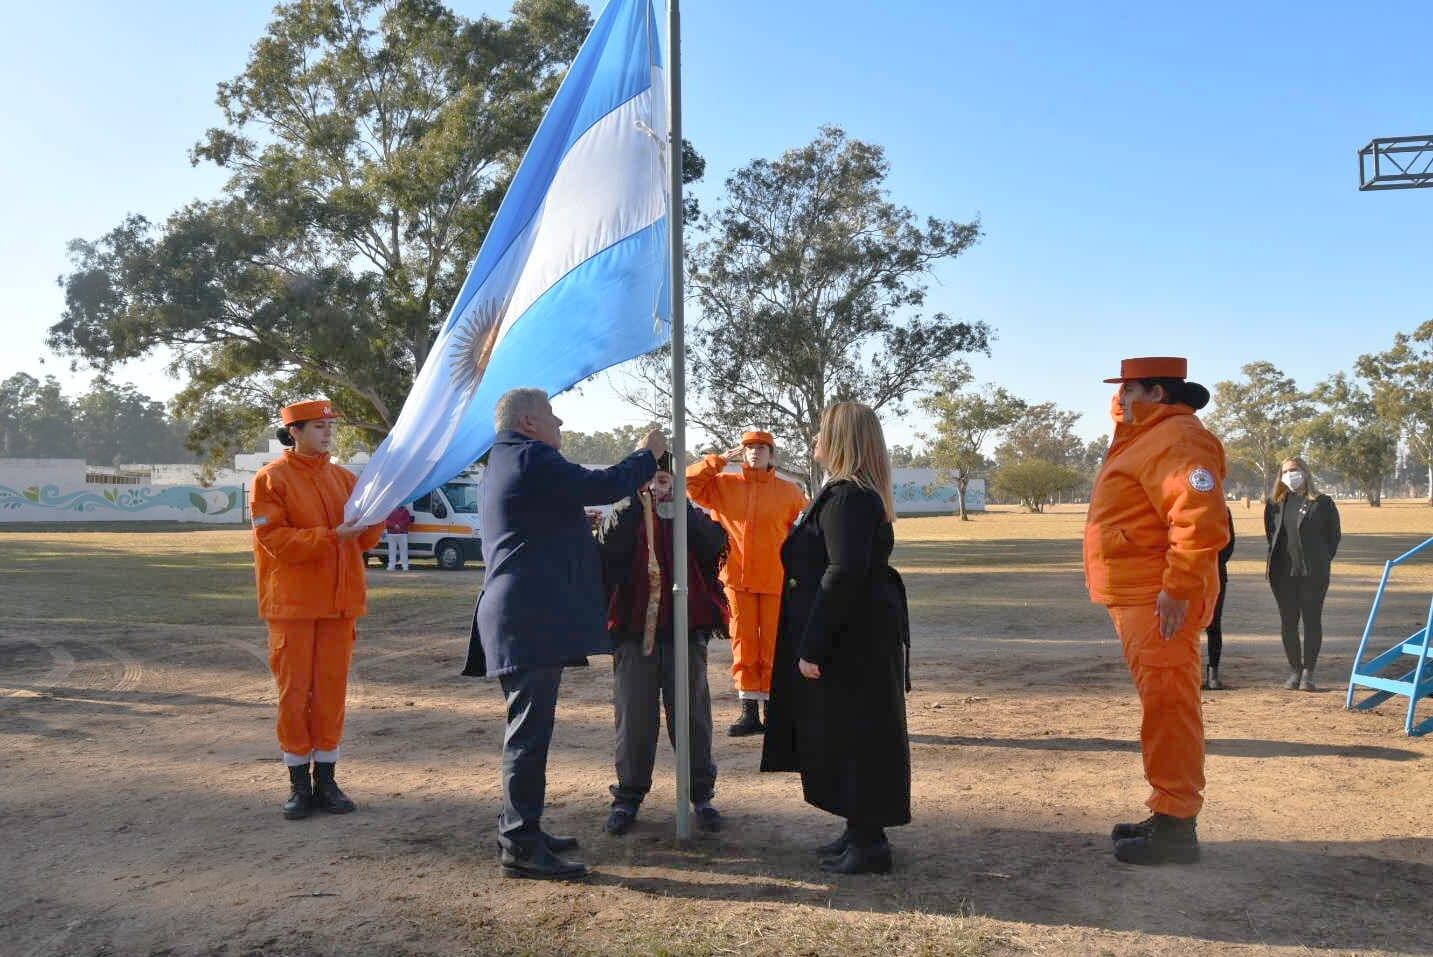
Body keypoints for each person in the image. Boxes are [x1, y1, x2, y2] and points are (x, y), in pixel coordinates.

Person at [461, 388, 666, 880]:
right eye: (553, 416)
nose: (561, 424)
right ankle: (520, 844)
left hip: (522, 615)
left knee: (529, 731)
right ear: (530, 422)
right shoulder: (532, 456)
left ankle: (522, 827)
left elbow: (538, 520)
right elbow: (604, 483)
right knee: (528, 736)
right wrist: (648, 453)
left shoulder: (509, 459)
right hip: (527, 617)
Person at [1085, 357, 1229, 866]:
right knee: (1161, 706)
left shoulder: (1178, 439)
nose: (1120, 398)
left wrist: (1178, 587)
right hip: (1138, 595)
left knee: (1170, 709)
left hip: (1157, 599)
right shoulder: (1145, 435)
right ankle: (1166, 810)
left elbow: (1200, 519)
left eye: (1129, 389)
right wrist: (1124, 416)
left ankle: (1175, 826)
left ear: (1159, 394)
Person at [761, 402, 911, 875]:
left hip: (851, 642)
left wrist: (812, 646)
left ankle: (869, 843)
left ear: (841, 440)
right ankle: (858, 831)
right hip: (854, 636)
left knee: (857, 735)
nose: (814, 441)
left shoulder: (849, 498)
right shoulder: (846, 495)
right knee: (846, 734)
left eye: (823, 432)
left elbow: (842, 573)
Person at [249, 399, 385, 820]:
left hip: (339, 605)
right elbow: (278, 542)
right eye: (319, 426)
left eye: (330, 426)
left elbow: (363, 542)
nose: (328, 432)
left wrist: (377, 514)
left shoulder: (345, 479)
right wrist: (333, 535)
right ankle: (297, 785)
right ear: (295, 431)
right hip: (293, 607)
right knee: (294, 695)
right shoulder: (270, 480)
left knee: (330, 694)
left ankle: (327, 781)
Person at [595, 459, 729, 835]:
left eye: (665, 477)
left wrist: (681, 506)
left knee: (693, 717)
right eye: (651, 478)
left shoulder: (687, 511)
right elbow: (607, 549)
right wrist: (634, 503)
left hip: (685, 630)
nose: (658, 485)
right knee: (635, 719)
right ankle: (628, 798)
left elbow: (716, 545)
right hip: (635, 633)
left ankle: (701, 795)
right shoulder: (625, 512)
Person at [686, 431, 808, 735]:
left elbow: (808, 528)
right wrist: (717, 461)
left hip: (774, 578)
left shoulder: (789, 492)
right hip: (736, 580)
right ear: (741, 452)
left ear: (772, 455)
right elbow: (687, 483)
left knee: (772, 645)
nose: (755, 452)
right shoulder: (722, 485)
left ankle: (775, 713)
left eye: (762, 448)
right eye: (749, 447)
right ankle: (749, 712)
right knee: (743, 644)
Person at [1264, 457, 1341, 692]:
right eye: (1286, 471)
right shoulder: (1274, 504)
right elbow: (1272, 536)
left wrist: (1319, 561)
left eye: (1295, 470)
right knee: (1288, 622)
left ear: (1305, 472)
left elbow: (1333, 538)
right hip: (1282, 574)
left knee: (1311, 621)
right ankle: (1295, 670)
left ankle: (1309, 672)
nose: (1290, 474)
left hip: (1312, 574)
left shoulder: (1323, 503)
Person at [1202, 507, 1235, 691]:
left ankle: (1213, 675)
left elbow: (1228, 544)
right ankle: (1193, 673)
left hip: (1213, 573)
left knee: (1213, 625)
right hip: (1189, 572)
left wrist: (1210, 561)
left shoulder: (1222, 509)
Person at [384, 504, 413, 571]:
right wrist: (394, 525)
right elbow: (386, 521)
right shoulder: (389, 510)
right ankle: (391, 566)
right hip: (392, 533)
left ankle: (405, 566)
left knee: (403, 551)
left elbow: (408, 520)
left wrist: (398, 525)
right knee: (392, 551)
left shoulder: (404, 510)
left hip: (401, 533)